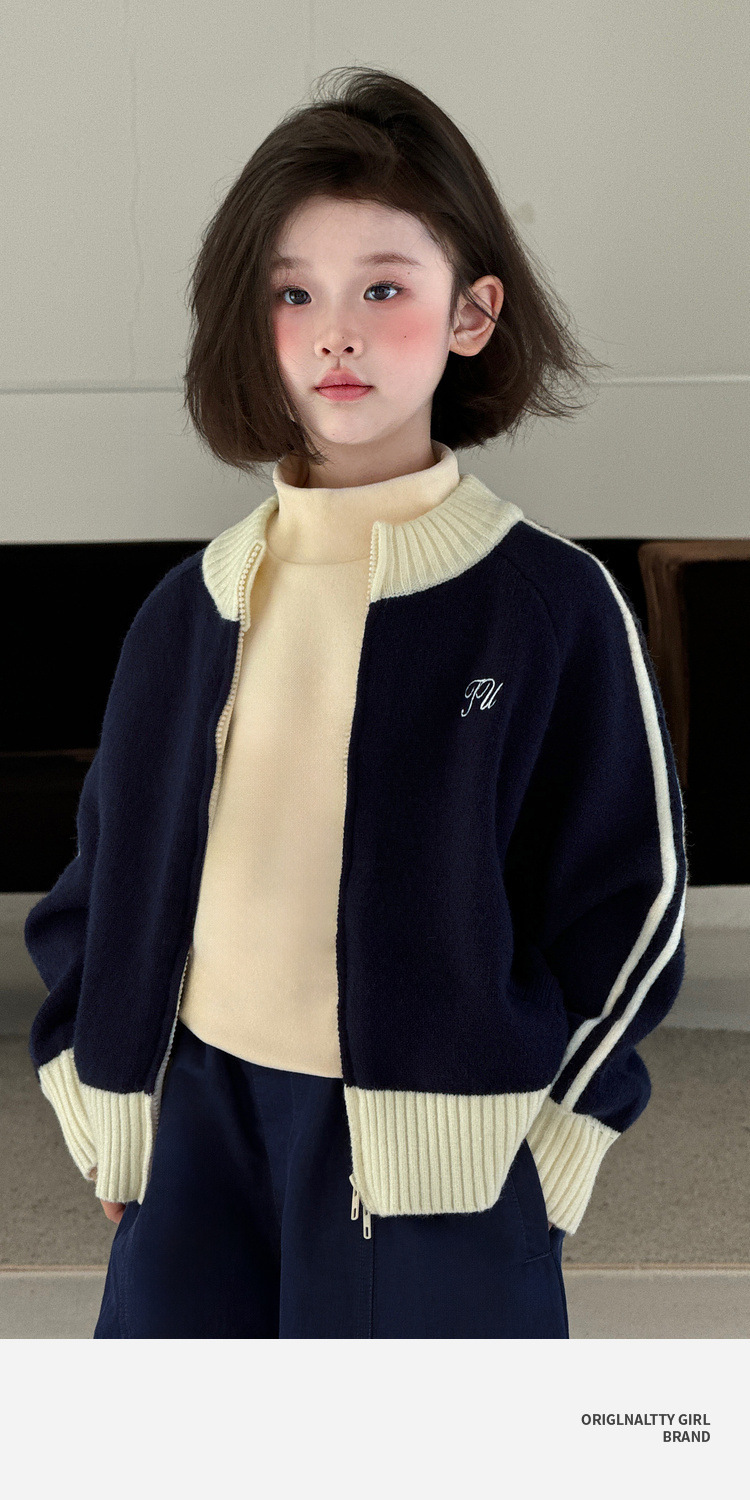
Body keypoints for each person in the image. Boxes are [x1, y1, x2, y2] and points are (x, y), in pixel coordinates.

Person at [25, 66, 688, 1339]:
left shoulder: (549, 605)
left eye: (383, 288)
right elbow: (98, 887)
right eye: (294, 293)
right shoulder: (189, 610)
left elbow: (632, 903)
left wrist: (556, 1140)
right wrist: (100, 1094)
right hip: (195, 1132)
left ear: (472, 314)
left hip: (439, 1165)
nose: (336, 332)